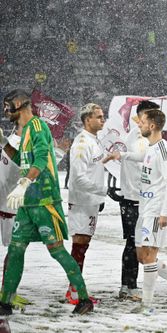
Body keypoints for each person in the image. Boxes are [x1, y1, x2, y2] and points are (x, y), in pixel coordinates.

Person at [0, 89, 93, 315]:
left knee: (57, 251)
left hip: (44, 201)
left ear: (19, 104)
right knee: (15, 250)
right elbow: (21, 159)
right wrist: (3, 142)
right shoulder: (26, 132)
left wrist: (23, 185)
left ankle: (84, 299)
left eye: (7, 105)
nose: (4, 110)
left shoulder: (38, 127)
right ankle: (5, 302)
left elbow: (41, 159)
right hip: (28, 203)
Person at [104, 109, 167, 315]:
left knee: (149, 256)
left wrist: (164, 213)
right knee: (142, 256)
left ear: (151, 126)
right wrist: (121, 154)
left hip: (155, 210)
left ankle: (147, 304)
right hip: (144, 208)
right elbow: (143, 156)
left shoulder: (163, 149)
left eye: (142, 122)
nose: (139, 125)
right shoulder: (152, 147)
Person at [117, 100, 158, 300]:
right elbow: (145, 160)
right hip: (137, 199)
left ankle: (127, 285)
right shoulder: (140, 137)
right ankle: (130, 286)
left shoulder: (137, 135)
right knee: (136, 243)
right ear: (142, 116)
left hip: (133, 197)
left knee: (133, 243)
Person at [66, 103, 107, 305]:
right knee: (79, 246)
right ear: (87, 119)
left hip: (90, 201)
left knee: (83, 245)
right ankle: (74, 291)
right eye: (98, 117)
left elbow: (95, 168)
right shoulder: (82, 143)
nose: (103, 119)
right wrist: (102, 190)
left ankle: (75, 288)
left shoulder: (94, 140)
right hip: (82, 201)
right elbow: (77, 178)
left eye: (103, 116)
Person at [0, 124, 31, 310]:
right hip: (11, 206)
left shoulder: (11, 143)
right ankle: (7, 293)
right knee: (15, 251)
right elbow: (3, 179)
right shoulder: (16, 145)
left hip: (8, 205)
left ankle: (8, 291)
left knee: (15, 251)